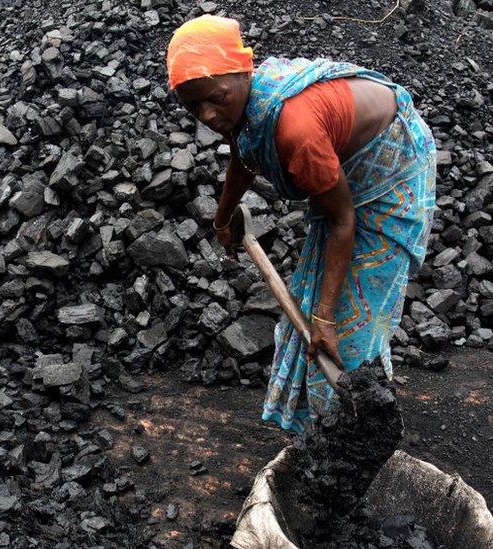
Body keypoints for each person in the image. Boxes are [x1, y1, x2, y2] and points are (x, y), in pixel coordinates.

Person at [166, 15, 437, 433]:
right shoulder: (243, 106)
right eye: (192, 106)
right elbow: (244, 149)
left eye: (215, 98)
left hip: (392, 166)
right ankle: (318, 424)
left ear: (243, 72)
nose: (207, 114)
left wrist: (326, 319)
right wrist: (223, 217)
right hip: (342, 164)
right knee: (316, 294)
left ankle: (357, 432)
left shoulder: (295, 128)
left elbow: (343, 221)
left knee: (350, 319)